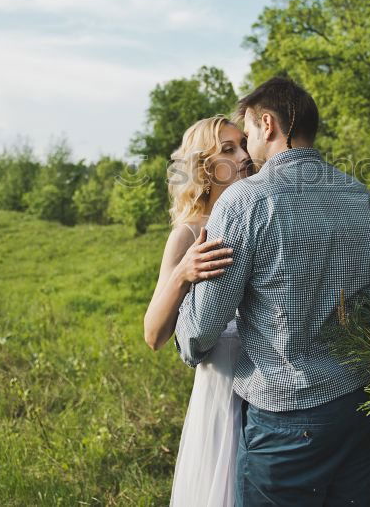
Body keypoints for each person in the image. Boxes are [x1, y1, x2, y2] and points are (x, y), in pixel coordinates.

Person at [175, 76, 370, 506]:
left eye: (250, 131)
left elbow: (201, 330)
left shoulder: (247, 201)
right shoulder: (364, 199)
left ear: (268, 124)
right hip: (363, 408)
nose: (249, 145)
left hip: (289, 421)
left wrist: (186, 333)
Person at [142, 114, 253, 507]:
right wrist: (183, 273)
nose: (244, 155)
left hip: (269, 393)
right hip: (221, 394)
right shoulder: (189, 231)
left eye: (243, 143)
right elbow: (154, 335)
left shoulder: (257, 215)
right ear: (204, 168)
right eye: (228, 149)